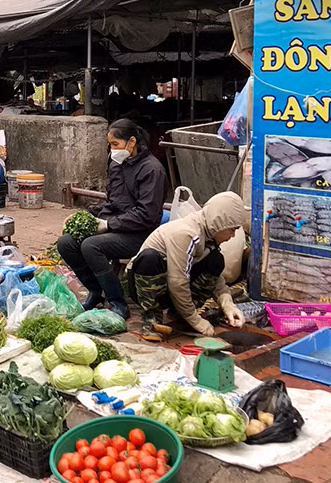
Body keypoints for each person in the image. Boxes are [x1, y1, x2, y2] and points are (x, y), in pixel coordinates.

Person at [58, 118, 166, 317]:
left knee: (91, 246)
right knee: (66, 242)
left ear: (131, 142)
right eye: (110, 145)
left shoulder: (152, 169)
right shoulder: (118, 164)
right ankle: (95, 291)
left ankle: (118, 303)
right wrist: (86, 217)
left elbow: (146, 215)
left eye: (115, 144)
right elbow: (113, 202)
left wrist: (108, 224)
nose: (112, 149)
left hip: (141, 233)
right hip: (117, 227)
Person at [128, 191, 247, 342]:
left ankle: (179, 313)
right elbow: (178, 281)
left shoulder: (209, 234)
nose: (233, 235)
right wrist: (195, 319)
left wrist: (228, 304)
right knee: (149, 258)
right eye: (233, 229)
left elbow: (216, 278)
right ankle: (152, 318)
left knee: (216, 260)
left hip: (169, 286)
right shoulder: (187, 233)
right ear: (220, 222)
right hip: (142, 286)